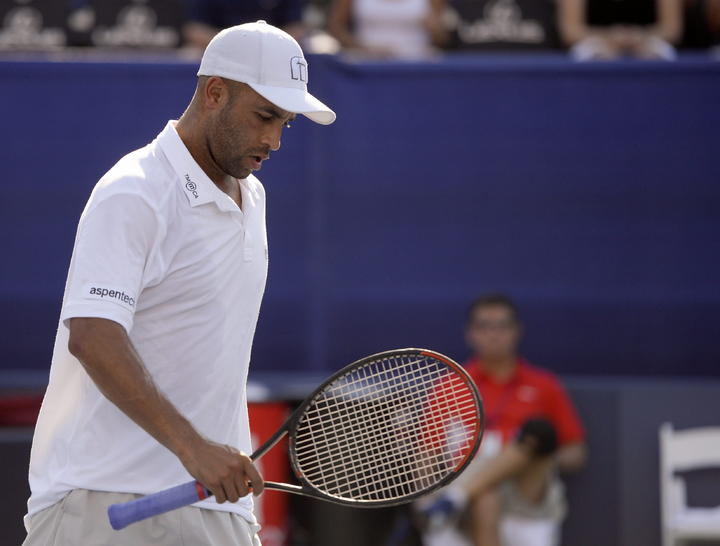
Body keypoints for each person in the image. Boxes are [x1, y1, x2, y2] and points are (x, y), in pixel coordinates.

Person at [23, 21, 335, 546]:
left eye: (285, 123)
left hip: (215, 504)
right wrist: (194, 449)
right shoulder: (135, 190)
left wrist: (206, 457)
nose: (274, 140)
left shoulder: (253, 198)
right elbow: (93, 337)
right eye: (265, 116)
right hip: (104, 498)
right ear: (215, 92)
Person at [421, 294, 587, 546]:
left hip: (523, 488)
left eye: (502, 326)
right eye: (484, 326)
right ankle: (459, 496)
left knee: (536, 435)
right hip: (467, 480)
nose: (494, 335)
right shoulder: (449, 386)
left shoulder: (544, 385)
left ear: (516, 331)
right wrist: (424, 497)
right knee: (485, 497)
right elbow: (427, 454)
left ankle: (456, 497)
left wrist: (535, 457)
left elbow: (576, 453)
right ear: (470, 333)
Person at [557, 0, 683, 60]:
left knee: (658, 53)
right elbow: (571, 31)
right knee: (592, 54)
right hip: (596, 40)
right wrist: (610, 37)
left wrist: (638, 36)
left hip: (647, 39)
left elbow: (671, 29)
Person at [327, 0, 446, 59]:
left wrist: (435, 29)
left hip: (417, 65)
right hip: (365, 65)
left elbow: (442, 37)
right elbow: (335, 27)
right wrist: (361, 48)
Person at [183, 0, 306, 49]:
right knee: (189, 54)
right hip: (221, 50)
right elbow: (194, 29)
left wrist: (263, 47)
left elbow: (296, 27)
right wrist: (238, 46)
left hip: (273, 49)